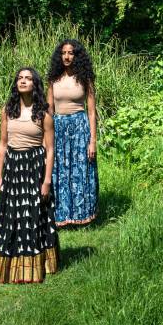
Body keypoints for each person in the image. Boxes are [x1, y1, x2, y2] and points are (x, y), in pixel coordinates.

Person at [0, 67, 59, 283]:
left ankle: (39, 263)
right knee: (11, 215)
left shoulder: (43, 113)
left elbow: (50, 149)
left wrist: (47, 180)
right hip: (13, 167)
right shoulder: (7, 111)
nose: (23, 81)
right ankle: (10, 261)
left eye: (28, 78)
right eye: (20, 78)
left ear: (34, 84)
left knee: (34, 215)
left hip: (35, 167)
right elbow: (2, 145)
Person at [47, 39, 99, 228]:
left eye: (71, 53)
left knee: (81, 171)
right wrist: (46, 139)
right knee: (59, 172)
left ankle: (83, 214)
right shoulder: (53, 79)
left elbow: (92, 111)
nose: (67, 56)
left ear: (77, 56)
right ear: (59, 56)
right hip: (58, 128)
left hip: (79, 127)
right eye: (63, 53)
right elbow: (49, 110)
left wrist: (92, 141)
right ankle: (61, 215)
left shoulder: (85, 78)